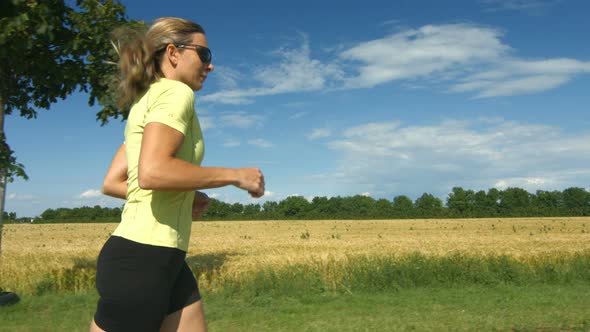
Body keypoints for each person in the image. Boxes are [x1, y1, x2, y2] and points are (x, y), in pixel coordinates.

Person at [90, 17, 265, 332]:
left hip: (162, 258)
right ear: (173, 53)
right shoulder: (175, 93)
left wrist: (188, 192)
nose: (209, 66)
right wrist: (236, 175)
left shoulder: (148, 99)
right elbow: (153, 172)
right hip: (142, 261)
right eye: (204, 55)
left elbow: (114, 181)